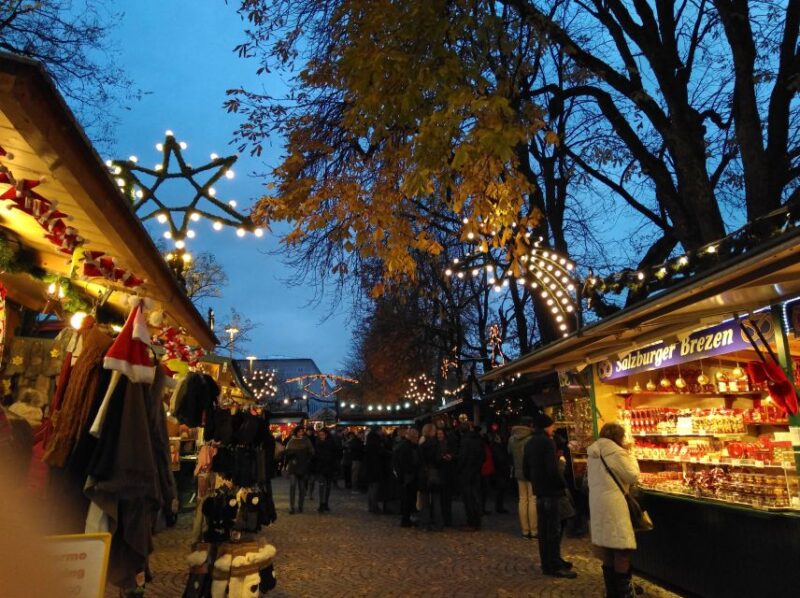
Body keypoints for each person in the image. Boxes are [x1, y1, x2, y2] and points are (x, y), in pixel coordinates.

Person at [587, 422, 641, 598]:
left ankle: (612, 592)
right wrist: (630, 455)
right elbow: (632, 475)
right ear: (618, 437)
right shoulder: (616, 453)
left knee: (608, 549)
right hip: (614, 505)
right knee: (621, 549)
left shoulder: (593, 452)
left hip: (598, 504)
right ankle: (624, 592)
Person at [523, 414, 576, 579]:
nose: (554, 428)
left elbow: (525, 469)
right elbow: (552, 470)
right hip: (552, 492)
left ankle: (550, 561)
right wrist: (562, 482)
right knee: (553, 529)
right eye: (552, 426)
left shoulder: (530, 442)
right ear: (546, 426)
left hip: (539, 492)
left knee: (545, 530)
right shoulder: (547, 442)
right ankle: (553, 565)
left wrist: (536, 483)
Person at [508, 417, 536, 538]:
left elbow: (509, 452)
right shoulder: (531, 438)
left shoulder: (512, 438)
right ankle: (534, 530)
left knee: (522, 499)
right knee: (532, 499)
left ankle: (525, 530)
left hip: (519, 472)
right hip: (531, 472)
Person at [457, 422, 483, 531]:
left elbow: (462, 458)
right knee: (475, 497)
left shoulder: (465, 441)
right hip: (476, 471)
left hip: (467, 472)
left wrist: (459, 468)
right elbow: (483, 456)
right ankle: (477, 521)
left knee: (468, 499)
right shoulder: (478, 440)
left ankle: (472, 522)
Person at [418, 423, 443, 531]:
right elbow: (438, 460)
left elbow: (419, 461)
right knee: (436, 500)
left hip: (424, 474)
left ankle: (425, 524)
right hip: (435, 473)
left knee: (425, 502)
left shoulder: (422, 446)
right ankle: (438, 524)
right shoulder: (437, 445)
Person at [392, 427, 419, 527]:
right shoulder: (408, 447)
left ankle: (406, 519)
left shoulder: (402, 446)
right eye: (416, 437)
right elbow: (409, 462)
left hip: (404, 476)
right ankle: (406, 520)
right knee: (408, 499)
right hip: (409, 477)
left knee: (406, 499)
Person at [284, 426, 314, 514]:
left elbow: (311, 452)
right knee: (292, 486)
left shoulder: (306, 441)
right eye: (299, 431)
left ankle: (300, 506)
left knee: (302, 488)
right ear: (296, 432)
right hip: (293, 466)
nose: (301, 433)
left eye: (302, 431)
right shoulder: (291, 441)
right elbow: (287, 453)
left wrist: (308, 459)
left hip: (303, 466)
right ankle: (291, 506)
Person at [436, 426, 457, 527]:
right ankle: (443, 519)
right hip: (440, 473)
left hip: (447, 473)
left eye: (441, 434)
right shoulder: (436, 444)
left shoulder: (448, 443)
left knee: (446, 498)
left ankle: (447, 519)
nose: (440, 435)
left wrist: (451, 456)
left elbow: (454, 454)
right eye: (438, 434)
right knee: (441, 499)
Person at [313, 428, 337, 512]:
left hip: (329, 467)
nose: (321, 436)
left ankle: (325, 503)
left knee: (328, 487)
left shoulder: (331, 443)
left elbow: (335, 455)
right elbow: (315, 456)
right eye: (320, 435)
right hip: (321, 468)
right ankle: (321, 504)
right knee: (322, 486)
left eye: (322, 435)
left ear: (326, 435)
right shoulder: (317, 443)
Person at [363, 427, 384, 514]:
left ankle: (371, 505)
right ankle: (374, 506)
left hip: (369, 467)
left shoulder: (369, 441)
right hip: (375, 467)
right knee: (375, 487)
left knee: (371, 487)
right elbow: (380, 452)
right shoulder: (377, 441)